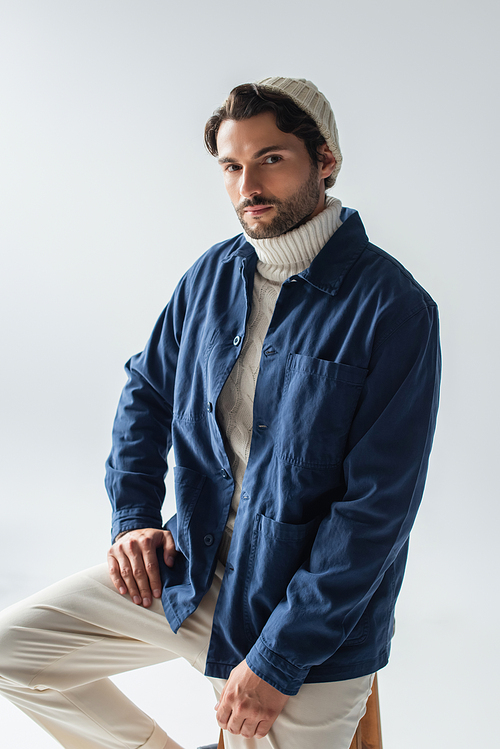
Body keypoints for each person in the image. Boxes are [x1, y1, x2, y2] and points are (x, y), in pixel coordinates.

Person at [0, 77, 441, 749]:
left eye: (271, 158)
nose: (247, 184)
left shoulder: (394, 308)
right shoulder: (210, 277)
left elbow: (374, 512)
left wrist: (276, 661)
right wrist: (134, 518)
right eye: (232, 166)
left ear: (324, 160)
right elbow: (145, 394)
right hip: (191, 570)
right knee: (13, 652)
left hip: (307, 623)